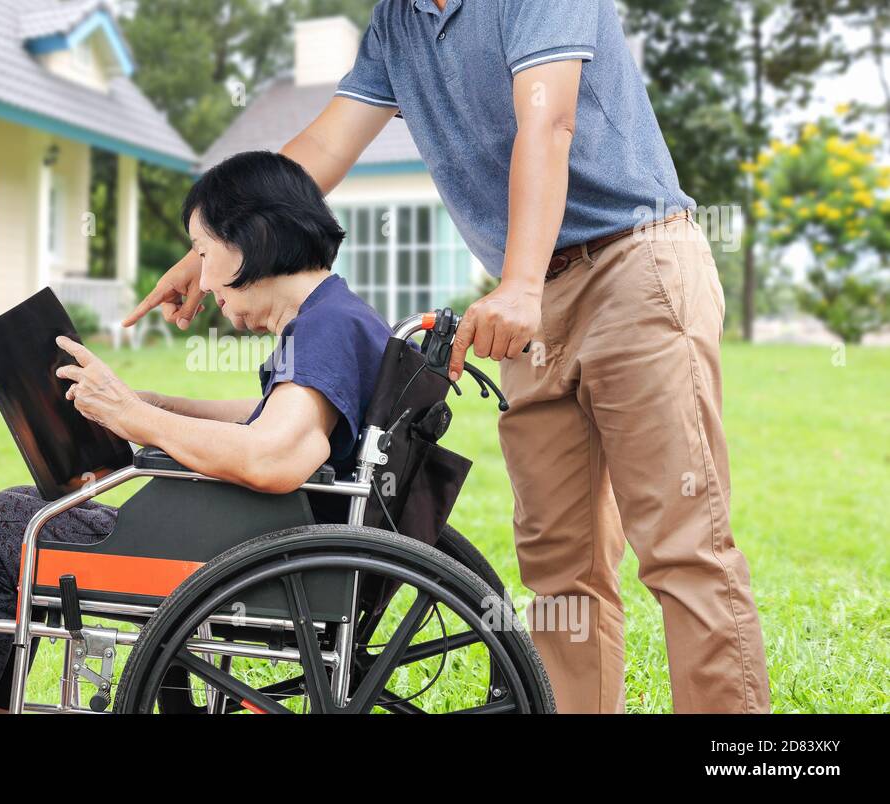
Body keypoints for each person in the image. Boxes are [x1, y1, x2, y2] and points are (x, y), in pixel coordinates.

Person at [122, 0, 769, 713]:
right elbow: (321, 154)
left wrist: (519, 284)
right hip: (531, 296)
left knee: (684, 549)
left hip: (632, 264)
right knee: (561, 571)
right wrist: (211, 250)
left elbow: (547, 122)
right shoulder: (398, 27)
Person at [0, 151, 393, 713]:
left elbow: (273, 456)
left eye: (205, 253)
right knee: (24, 507)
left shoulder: (324, 328)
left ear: (253, 239)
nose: (203, 281)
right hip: (261, 542)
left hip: (241, 557)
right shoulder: (339, 316)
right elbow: (271, 417)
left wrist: (135, 420)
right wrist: (153, 404)